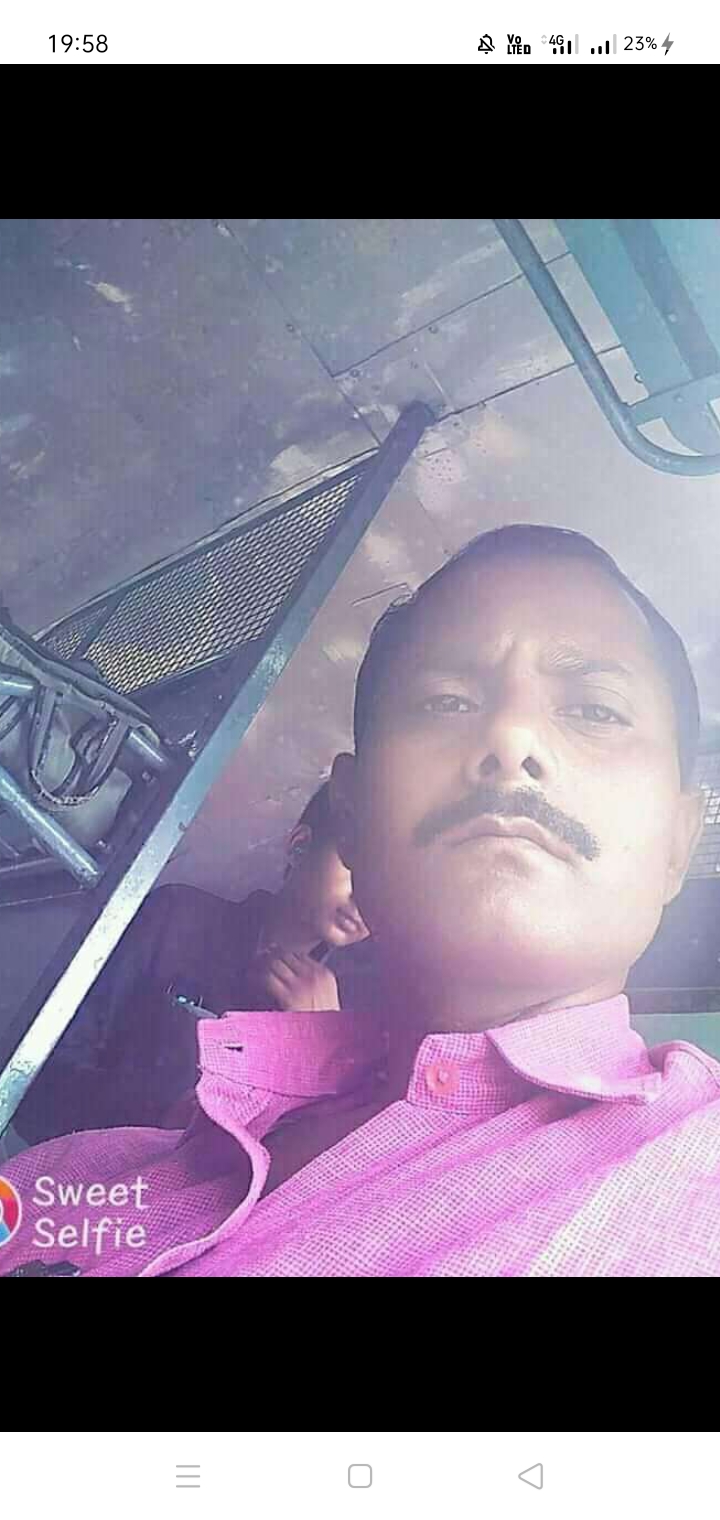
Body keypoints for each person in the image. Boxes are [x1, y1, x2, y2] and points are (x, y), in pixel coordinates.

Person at [2, 522, 717, 1278]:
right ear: (349, 816)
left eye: (597, 709)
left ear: (679, 840)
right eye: (446, 700)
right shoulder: (101, 1168)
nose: (512, 735)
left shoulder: (693, 1180)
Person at [13, 782, 369, 1144]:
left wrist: (318, 1046)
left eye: (385, 886)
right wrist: (162, 1121)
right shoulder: (177, 918)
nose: (367, 898)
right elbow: (39, 1083)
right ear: (299, 845)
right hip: (78, 1164)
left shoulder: (349, 1026)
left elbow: (302, 1163)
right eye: (357, 864)